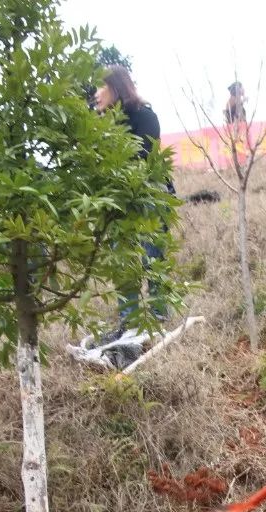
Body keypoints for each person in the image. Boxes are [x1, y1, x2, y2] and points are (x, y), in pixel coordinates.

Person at [94, 65, 173, 335]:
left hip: (149, 194)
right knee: (123, 259)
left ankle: (159, 315)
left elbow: (144, 156)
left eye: (100, 86)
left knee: (153, 255)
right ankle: (129, 321)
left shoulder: (144, 116)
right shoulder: (100, 125)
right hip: (118, 199)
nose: (96, 93)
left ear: (115, 87)